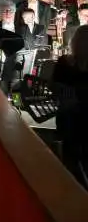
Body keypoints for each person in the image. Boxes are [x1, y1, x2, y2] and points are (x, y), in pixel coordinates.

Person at [52, 26, 88, 185]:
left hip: (67, 118)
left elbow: (54, 89)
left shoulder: (63, 63)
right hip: (84, 118)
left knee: (70, 157)